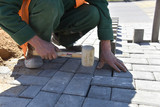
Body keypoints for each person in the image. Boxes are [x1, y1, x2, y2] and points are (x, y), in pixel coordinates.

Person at [0, 0, 128, 72]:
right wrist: (38, 43)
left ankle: (61, 38)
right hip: (36, 17)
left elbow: (101, 4)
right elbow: (3, 10)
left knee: (93, 13)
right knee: (49, 3)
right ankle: (34, 50)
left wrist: (106, 49)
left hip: (60, 15)